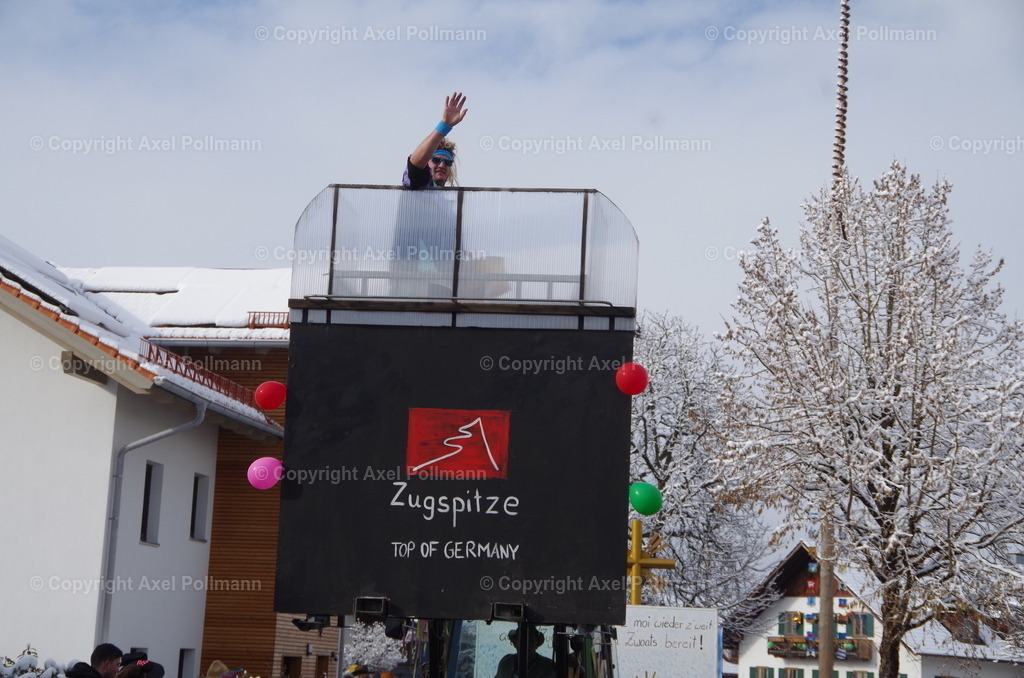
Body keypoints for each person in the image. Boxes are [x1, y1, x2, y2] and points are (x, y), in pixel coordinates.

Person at [402, 91, 468, 189]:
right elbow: (415, 165)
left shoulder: (447, 200)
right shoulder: (420, 183)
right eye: (436, 160)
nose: (442, 165)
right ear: (426, 163)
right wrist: (444, 126)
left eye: (448, 162)